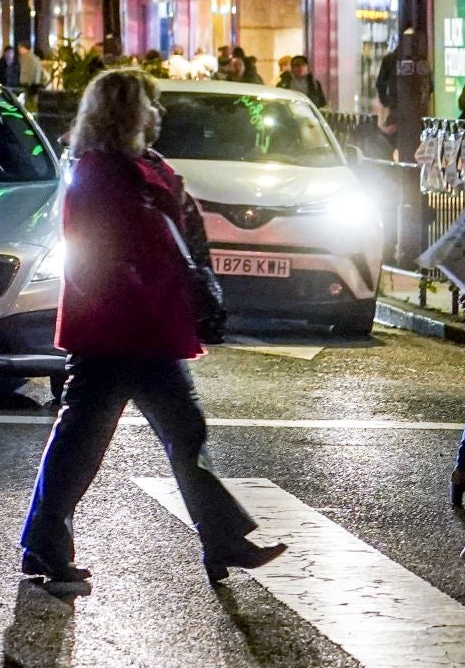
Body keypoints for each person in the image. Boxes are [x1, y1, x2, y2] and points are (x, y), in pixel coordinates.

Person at [19, 68, 287, 590]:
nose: (158, 113)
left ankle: (223, 539)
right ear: (126, 113)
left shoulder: (151, 170)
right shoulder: (97, 175)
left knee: (183, 435)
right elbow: (100, 257)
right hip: (112, 333)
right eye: (150, 104)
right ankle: (46, 546)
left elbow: (181, 236)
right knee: (84, 443)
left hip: (154, 329)